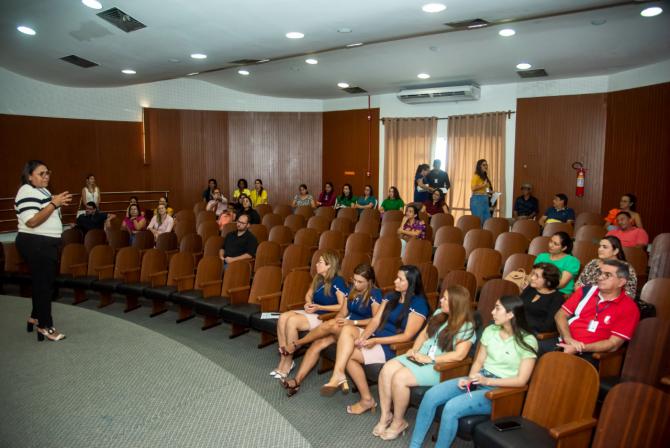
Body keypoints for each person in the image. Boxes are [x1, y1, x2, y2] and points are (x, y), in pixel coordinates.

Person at [409, 296, 538, 448]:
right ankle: (414, 445)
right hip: (479, 379)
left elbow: (521, 380)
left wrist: (488, 381)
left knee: (452, 407)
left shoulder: (528, 341)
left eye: (497, 308)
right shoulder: (490, 330)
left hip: (500, 391)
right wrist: (470, 379)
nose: (492, 312)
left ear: (510, 314)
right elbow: (478, 361)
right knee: (431, 395)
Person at [320, 265, 429, 415]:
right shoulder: (391, 296)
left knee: (349, 355)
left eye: (400, 279)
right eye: (396, 277)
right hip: (376, 338)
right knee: (347, 330)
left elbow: (407, 336)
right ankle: (339, 374)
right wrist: (364, 337)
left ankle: (366, 399)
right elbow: (376, 321)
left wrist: (376, 341)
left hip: (392, 346)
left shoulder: (419, 304)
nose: (395, 281)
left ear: (411, 283)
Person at [375, 285, 476, 440]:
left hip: (439, 367)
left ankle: (398, 422)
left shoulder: (466, 327)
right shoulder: (438, 314)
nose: (441, 300)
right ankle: (385, 416)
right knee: (387, 369)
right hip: (420, 357)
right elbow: (423, 335)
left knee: (400, 378)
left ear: (456, 304)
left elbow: (459, 355)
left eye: (445, 299)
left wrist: (431, 359)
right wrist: (414, 350)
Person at [282, 264, 381, 396]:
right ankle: (297, 381)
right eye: (354, 280)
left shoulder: (375, 294)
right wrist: (340, 318)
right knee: (316, 345)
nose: (356, 284)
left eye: (360, 282)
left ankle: (297, 344)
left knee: (331, 325)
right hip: (345, 326)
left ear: (369, 281)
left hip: (361, 330)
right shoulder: (352, 289)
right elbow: (343, 312)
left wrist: (353, 322)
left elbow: (375, 320)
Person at [14, 160, 72, 341]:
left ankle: (35, 317)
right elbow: (31, 221)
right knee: (44, 287)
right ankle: (45, 326)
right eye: (41, 173)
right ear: (29, 176)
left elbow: (45, 212)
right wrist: (54, 204)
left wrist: (55, 203)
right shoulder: (26, 191)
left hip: (45, 243)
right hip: (36, 243)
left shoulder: (42, 191)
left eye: (48, 172)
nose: (46, 176)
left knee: (43, 283)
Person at [271, 250, 348, 379]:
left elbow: (342, 306)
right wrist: (307, 303)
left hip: (325, 316)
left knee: (292, 321)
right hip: (313, 312)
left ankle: (288, 361)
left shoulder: (338, 281)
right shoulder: (318, 278)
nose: (316, 264)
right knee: (283, 317)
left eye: (320, 262)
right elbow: (308, 295)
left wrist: (319, 306)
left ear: (329, 265)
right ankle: (284, 358)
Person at [555, 259, 640, 364]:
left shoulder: (629, 308)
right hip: (563, 342)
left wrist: (580, 347)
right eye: (600, 273)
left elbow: (613, 344)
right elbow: (560, 315)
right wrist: (568, 339)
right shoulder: (585, 291)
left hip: (593, 353)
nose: (600, 277)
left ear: (621, 282)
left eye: (607, 275)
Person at [470, 159, 493, 225]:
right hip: (477, 200)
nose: (486, 166)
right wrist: (483, 185)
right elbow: (473, 188)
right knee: (478, 222)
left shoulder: (485, 177)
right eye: (484, 165)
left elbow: (486, 189)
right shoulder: (476, 176)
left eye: (486, 165)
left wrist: (491, 192)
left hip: (485, 199)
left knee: (487, 222)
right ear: (479, 166)